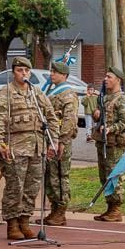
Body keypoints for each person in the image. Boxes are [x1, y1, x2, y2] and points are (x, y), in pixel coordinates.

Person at [0, 56, 62, 239]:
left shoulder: (37, 93)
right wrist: (0, 143)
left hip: (37, 148)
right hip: (15, 148)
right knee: (15, 187)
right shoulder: (6, 93)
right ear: (14, 72)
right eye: (20, 70)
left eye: (27, 71)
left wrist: (53, 141)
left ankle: (25, 221)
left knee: (32, 187)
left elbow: (51, 118)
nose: (24, 74)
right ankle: (12, 224)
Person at [89, 67, 125, 223]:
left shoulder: (122, 99)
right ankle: (110, 206)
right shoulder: (105, 98)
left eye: (109, 77)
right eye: (105, 76)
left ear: (118, 80)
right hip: (103, 143)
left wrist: (110, 128)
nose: (105, 79)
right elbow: (101, 117)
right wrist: (96, 116)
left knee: (114, 175)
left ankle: (116, 208)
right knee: (104, 175)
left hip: (115, 144)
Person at [40, 62, 79, 226]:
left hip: (60, 141)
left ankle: (61, 210)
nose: (52, 74)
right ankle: (54, 208)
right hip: (49, 139)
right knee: (50, 176)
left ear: (64, 75)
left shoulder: (68, 94)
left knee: (60, 176)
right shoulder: (51, 91)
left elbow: (69, 120)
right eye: (51, 71)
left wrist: (62, 141)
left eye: (55, 72)